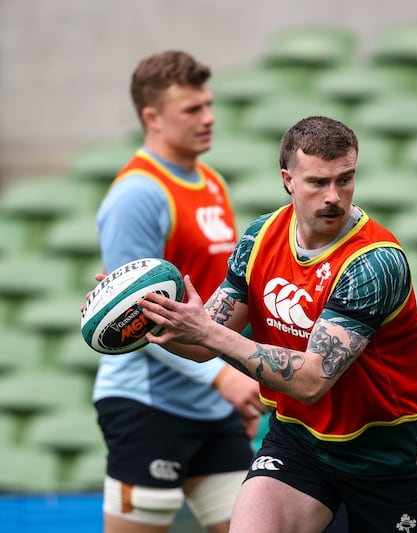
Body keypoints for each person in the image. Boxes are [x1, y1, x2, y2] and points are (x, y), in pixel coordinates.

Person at [137, 115, 417, 533]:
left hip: (383, 460)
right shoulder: (259, 238)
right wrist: (142, 318)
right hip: (298, 442)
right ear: (288, 179)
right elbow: (201, 343)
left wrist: (209, 333)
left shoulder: (375, 262)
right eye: (318, 182)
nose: (334, 196)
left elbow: (310, 379)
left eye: (346, 179)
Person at [93, 50, 263, 533]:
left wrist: (226, 376)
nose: (208, 118)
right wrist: (223, 379)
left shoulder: (212, 183)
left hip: (212, 406)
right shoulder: (137, 194)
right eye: (192, 109)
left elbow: (216, 301)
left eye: (208, 104)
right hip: (147, 405)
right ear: (152, 117)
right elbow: (133, 318)